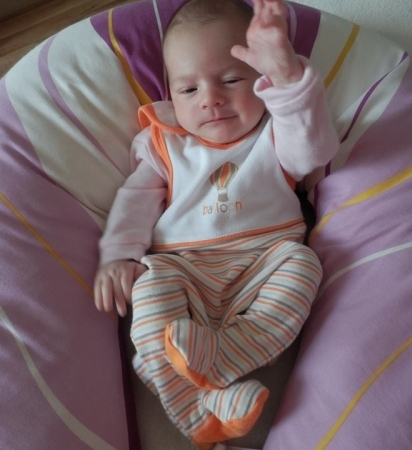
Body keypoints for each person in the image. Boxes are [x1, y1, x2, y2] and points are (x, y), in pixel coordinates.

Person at [94, 0, 339, 447]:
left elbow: (315, 150)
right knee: (147, 294)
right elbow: (136, 199)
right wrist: (119, 255)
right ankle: (201, 407)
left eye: (230, 80)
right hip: (183, 267)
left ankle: (223, 357)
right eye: (188, 89)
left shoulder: (275, 132)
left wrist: (288, 80)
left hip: (265, 262)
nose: (210, 98)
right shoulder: (165, 143)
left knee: (305, 266)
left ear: (261, 81)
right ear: (171, 95)